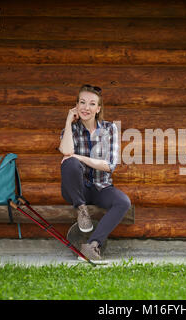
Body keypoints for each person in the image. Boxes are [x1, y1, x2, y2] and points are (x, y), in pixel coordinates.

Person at [58, 84, 131, 262]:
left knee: (123, 202)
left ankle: (92, 246)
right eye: (82, 102)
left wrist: (78, 156)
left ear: (98, 109)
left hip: (100, 186)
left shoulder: (109, 129)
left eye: (92, 104)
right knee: (70, 163)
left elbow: (109, 165)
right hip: (77, 190)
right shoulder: (71, 130)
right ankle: (81, 209)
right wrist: (68, 121)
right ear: (76, 106)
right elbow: (66, 152)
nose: (86, 107)